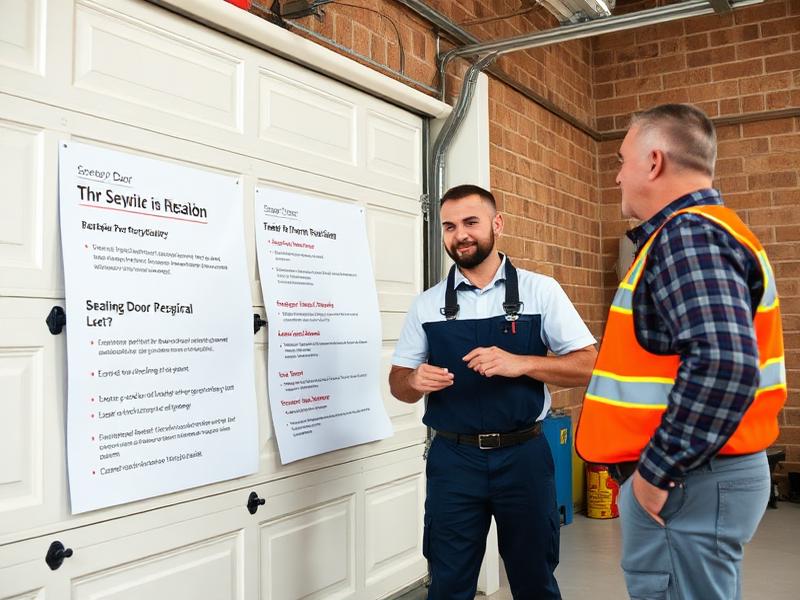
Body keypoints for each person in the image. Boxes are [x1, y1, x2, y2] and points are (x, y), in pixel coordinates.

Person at [576, 104, 787, 600]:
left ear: (653, 162)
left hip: (686, 480)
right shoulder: (710, 231)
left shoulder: (688, 236)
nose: (617, 177)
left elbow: (723, 363)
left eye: (622, 160)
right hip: (702, 474)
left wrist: (655, 474)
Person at [389, 184, 597, 600]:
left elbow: (589, 364)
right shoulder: (427, 306)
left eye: (470, 222)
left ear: (496, 225)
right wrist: (412, 382)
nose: (460, 234)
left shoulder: (542, 291)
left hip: (524, 457)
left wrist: (522, 363)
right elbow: (398, 384)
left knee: (535, 580)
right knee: (448, 582)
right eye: (449, 226)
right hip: (454, 460)